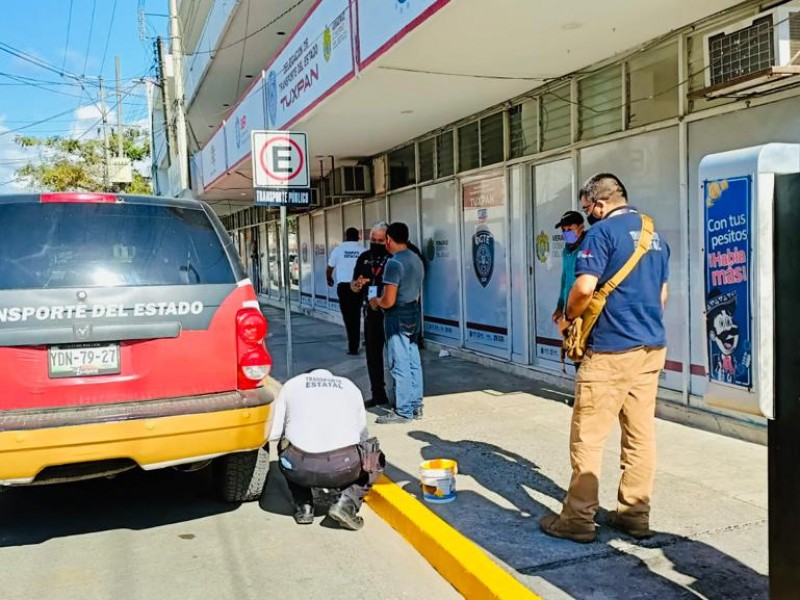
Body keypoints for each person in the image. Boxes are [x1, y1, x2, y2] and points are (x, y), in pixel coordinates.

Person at [540, 173, 670, 544]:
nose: (588, 215)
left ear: (599, 204)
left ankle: (578, 520)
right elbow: (662, 295)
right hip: (650, 348)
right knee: (640, 436)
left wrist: (568, 316)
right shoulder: (654, 235)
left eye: (587, 208)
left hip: (611, 350)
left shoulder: (600, 234)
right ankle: (634, 514)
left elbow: (584, 288)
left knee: (588, 437)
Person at [268, 368, 385, 530]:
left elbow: (273, 434)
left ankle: (304, 505)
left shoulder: (291, 385)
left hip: (299, 468)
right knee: (373, 455)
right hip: (343, 468)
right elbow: (362, 437)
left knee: (284, 443)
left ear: (307, 375)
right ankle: (347, 503)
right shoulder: (351, 387)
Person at [369, 222, 425, 424]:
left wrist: (376, 302)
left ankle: (403, 410)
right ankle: (416, 405)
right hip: (413, 312)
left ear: (389, 240)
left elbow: (389, 300)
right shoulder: (416, 259)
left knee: (398, 362)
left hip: (397, 315)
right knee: (413, 360)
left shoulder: (394, 263)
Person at [351, 222, 391, 407]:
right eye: (373, 240)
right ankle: (378, 394)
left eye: (380, 240)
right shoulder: (365, 257)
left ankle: (403, 397)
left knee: (397, 356)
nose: (376, 243)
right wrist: (358, 284)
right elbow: (353, 285)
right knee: (373, 356)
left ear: (388, 240)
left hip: (391, 312)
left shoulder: (394, 257)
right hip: (371, 312)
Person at [327, 227, 364, 355]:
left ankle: (352, 345)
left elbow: (330, 267)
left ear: (346, 237)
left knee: (348, 316)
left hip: (343, 286)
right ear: (358, 237)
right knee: (356, 314)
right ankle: (355, 343)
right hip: (358, 285)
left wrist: (329, 279)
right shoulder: (362, 249)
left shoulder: (338, 250)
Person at [551, 210, 586, 326]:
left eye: (570, 229)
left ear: (581, 227)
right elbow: (564, 280)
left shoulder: (589, 249)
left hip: (585, 311)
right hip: (569, 311)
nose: (566, 233)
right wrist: (560, 306)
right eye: (563, 230)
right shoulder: (566, 251)